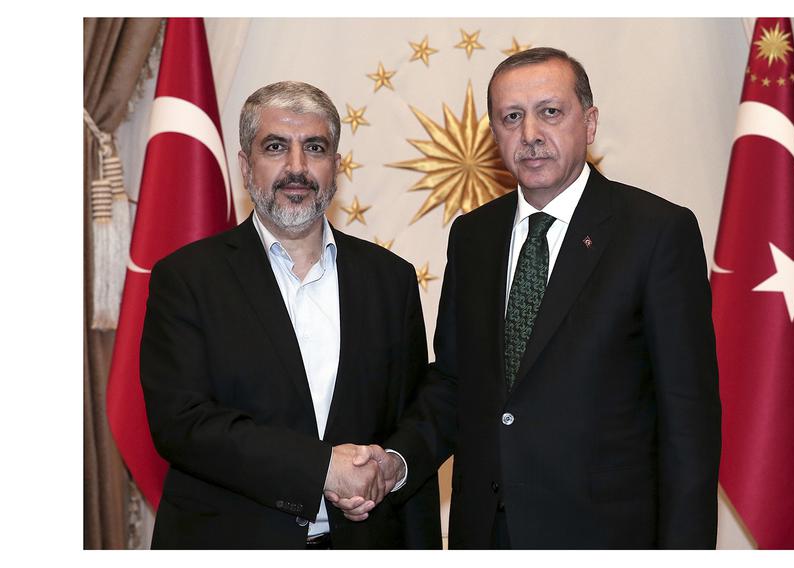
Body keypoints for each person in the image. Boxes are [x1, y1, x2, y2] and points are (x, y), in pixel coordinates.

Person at [330, 47, 722, 549]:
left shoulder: (656, 232)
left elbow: (688, 423)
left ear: (591, 122)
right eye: (511, 117)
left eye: (550, 112)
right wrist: (395, 462)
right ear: (494, 134)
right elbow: (454, 382)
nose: (531, 134)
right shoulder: (473, 236)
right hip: (486, 536)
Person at [139, 81, 441, 549]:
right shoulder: (186, 278)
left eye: (314, 148)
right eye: (276, 147)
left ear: (336, 167)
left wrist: (393, 465)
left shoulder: (391, 279)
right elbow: (183, 424)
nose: (296, 168)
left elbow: (414, 413)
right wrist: (321, 469)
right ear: (245, 166)